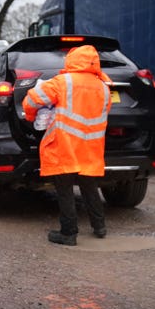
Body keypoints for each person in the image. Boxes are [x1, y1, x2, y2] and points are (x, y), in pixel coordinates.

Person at [22, 45, 112, 246]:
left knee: (64, 188)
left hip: (65, 143)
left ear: (72, 60)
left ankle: (69, 233)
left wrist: (31, 117)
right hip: (91, 147)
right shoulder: (104, 87)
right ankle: (100, 227)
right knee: (90, 186)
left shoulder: (63, 82)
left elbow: (33, 99)